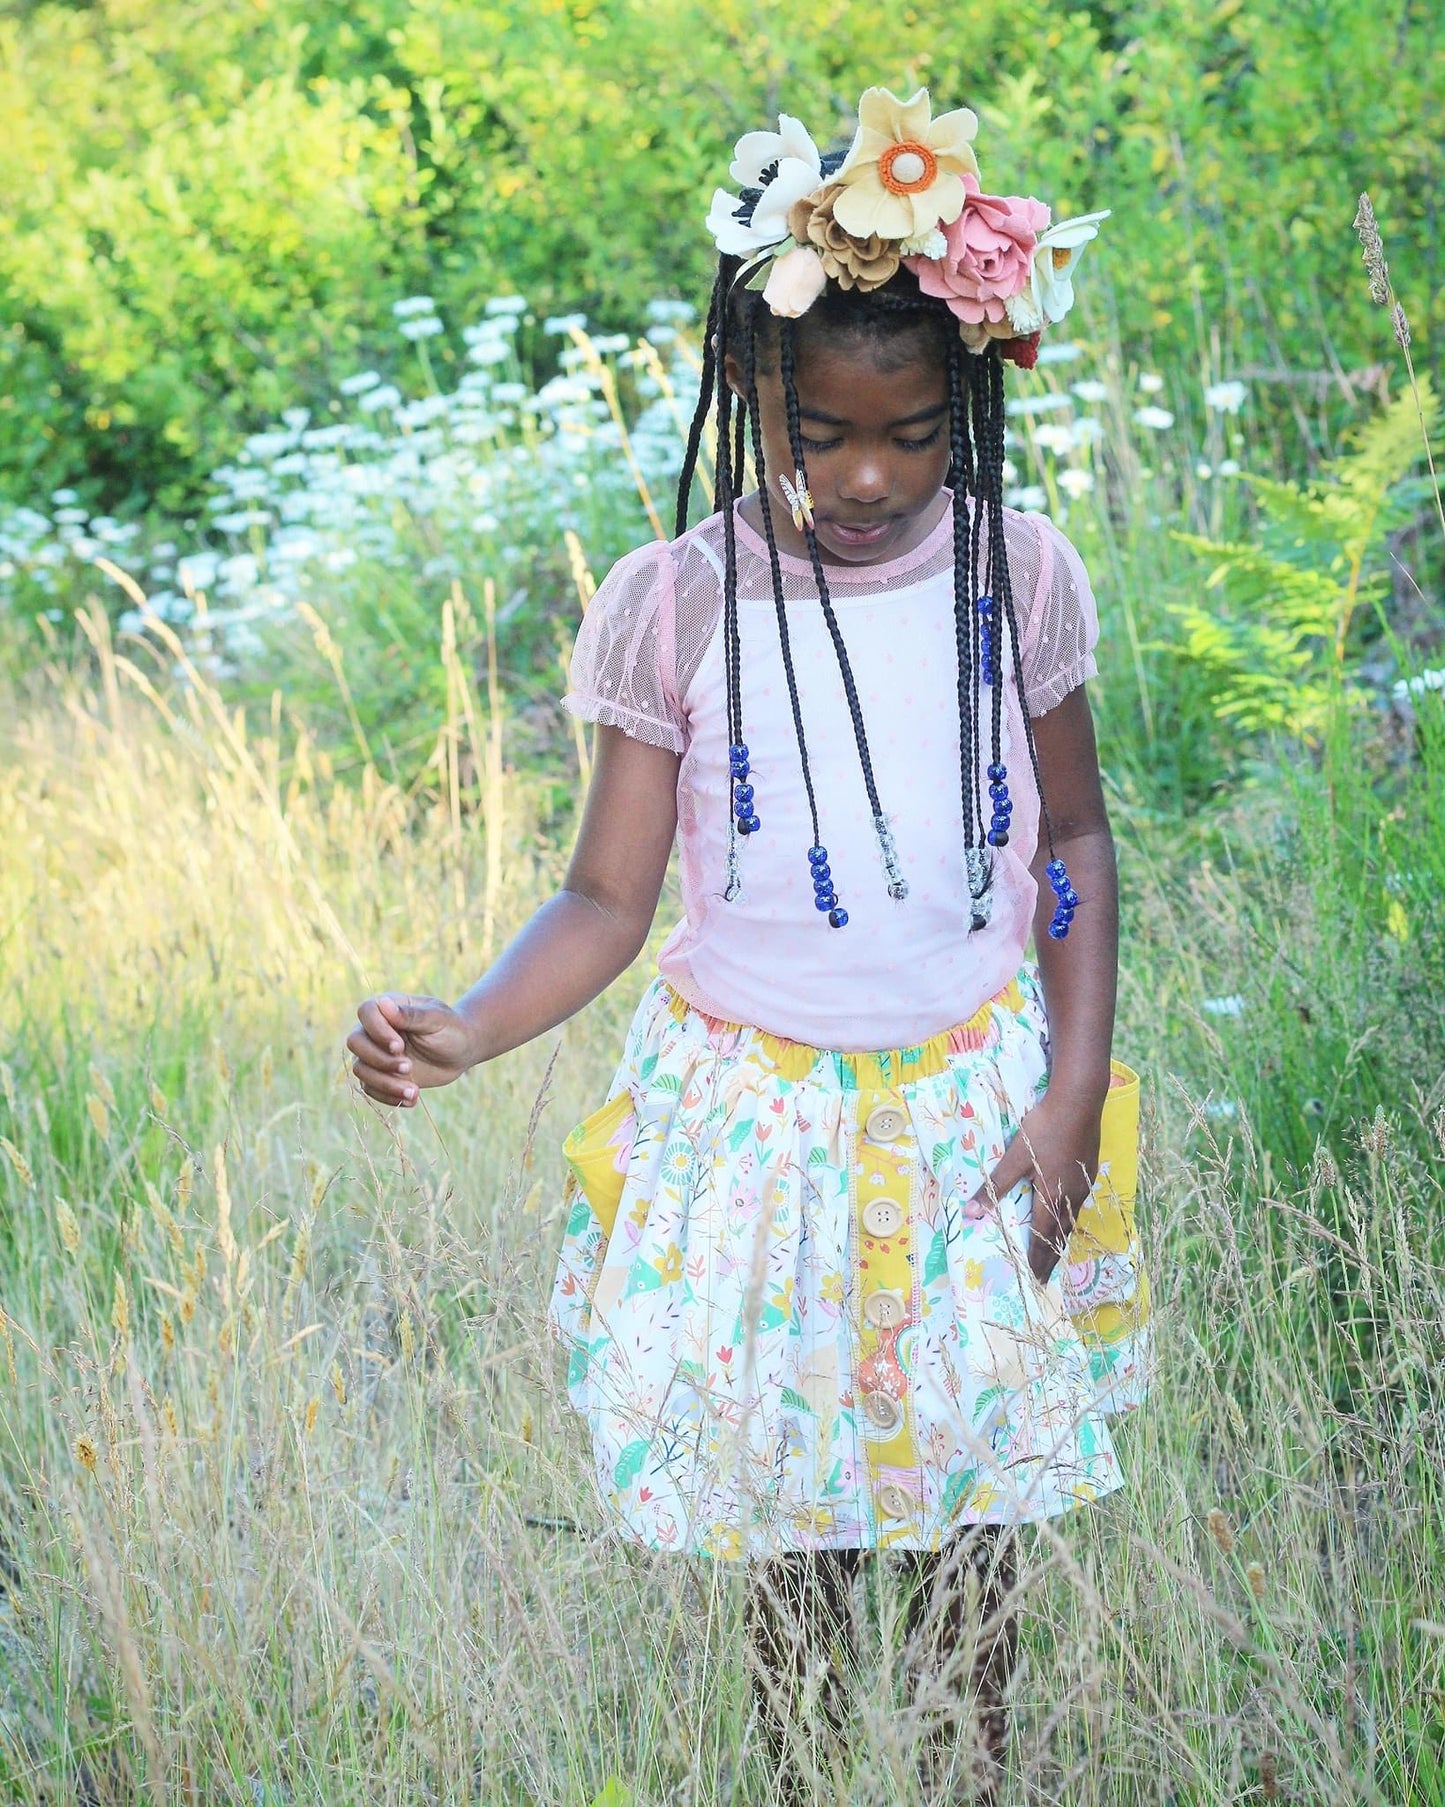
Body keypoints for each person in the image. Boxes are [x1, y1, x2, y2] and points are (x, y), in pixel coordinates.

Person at [346, 84, 1148, 1804]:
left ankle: (958, 1778)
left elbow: (1070, 846)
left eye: (912, 433)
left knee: (969, 1533)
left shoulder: (1020, 575)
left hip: (973, 1122)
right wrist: (471, 1027)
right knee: (789, 1541)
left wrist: (1072, 1090)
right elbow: (604, 902)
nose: (865, 476)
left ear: (973, 403)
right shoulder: (679, 600)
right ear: (749, 402)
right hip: (758, 1129)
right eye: (817, 434)